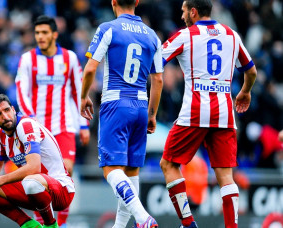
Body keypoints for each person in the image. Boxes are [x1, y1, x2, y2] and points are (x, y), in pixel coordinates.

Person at [160, 0, 257, 227]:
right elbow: (251, 71)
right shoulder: (232, 35)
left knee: (168, 164)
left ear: (193, 11)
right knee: (226, 177)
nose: (182, 15)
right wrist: (244, 92)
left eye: (183, 10)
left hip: (194, 114)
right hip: (224, 115)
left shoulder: (185, 35)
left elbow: (156, 61)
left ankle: (188, 224)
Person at [80, 0, 163, 227]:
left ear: (113, 2)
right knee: (131, 172)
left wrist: (83, 96)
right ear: (137, 2)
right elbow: (158, 79)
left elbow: (89, 68)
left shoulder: (108, 28)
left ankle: (143, 218)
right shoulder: (152, 35)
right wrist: (152, 114)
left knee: (111, 169)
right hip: (141, 106)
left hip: (115, 103)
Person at [15, 15, 90, 226]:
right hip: (37, 128)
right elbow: (22, 93)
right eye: (37, 32)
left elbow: (79, 93)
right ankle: (45, 223)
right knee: (37, 178)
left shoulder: (70, 59)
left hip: (63, 125)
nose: (40, 36)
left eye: (44, 32)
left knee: (65, 171)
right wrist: (31, 121)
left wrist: (83, 124)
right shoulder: (28, 59)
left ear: (54, 34)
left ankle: (62, 223)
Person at [0, 94, 75, 228]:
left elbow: (34, 168)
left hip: (60, 191)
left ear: (13, 109)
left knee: (31, 182)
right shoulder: (0, 133)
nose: (5, 117)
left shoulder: (26, 126)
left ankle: (50, 225)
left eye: (6, 110)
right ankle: (28, 225)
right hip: (33, 193)